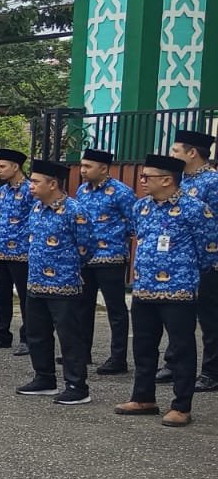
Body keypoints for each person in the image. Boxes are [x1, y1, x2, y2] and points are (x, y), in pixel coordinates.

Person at [116, 154, 215, 427]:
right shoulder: (141, 207)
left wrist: (186, 272)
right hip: (144, 288)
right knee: (143, 346)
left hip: (178, 290)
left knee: (181, 348)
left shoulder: (195, 209)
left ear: (167, 180)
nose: (142, 181)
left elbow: (208, 250)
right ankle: (143, 397)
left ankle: (181, 406)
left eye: (147, 177)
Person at [16, 159, 95, 405]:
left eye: (35, 181)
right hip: (36, 282)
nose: (30, 186)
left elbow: (86, 247)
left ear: (52, 184)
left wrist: (68, 266)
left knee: (69, 336)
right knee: (37, 333)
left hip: (64, 284)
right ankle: (44, 378)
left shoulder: (74, 210)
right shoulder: (36, 208)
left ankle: (77, 385)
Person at [163, 129, 218, 391]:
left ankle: (211, 371)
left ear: (192, 152)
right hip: (180, 261)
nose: (171, 155)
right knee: (177, 315)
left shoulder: (212, 182)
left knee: (210, 318)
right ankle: (174, 363)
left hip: (207, 261)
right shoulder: (180, 180)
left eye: (176, 150)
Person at [76, 149, 133, 376]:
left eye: (88, 166)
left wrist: (115, 238)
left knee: (115, 309)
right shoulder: (82, 191)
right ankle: (82, 352)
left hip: (111, 257)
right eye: (82, 166)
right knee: (83, 306)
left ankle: (118, 358)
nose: (83, 170)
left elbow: (133, 223)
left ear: (103, 168)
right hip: (86, 258)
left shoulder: (121, 192)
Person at [0, 148, 32, 356]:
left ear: (15, 167)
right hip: (2, 250)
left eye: (2, 166)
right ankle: (2, 334)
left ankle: (28, 337)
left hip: (22, 251)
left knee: (25, 296)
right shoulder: (2, 191)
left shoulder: (30, 190)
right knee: (2, 294)